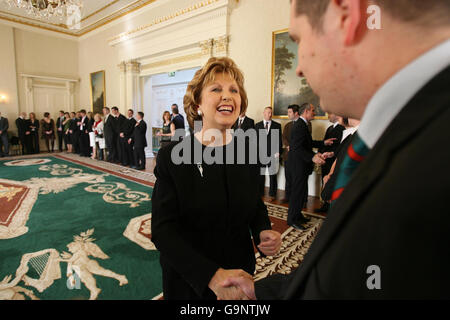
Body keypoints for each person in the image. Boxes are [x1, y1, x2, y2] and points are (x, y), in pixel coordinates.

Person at [223, 0, 450, 299]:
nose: (300, 68)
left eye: (299, 40)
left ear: (346, 17)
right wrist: (260, 291)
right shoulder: (397, 132)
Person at [151, 57, 281, 300]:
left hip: (239, 275)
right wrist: (210, 275)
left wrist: (262, 230)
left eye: (234, 90)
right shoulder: (173, 156)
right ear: (198, 103)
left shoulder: (249, 152)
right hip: (190, 283)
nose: (227, 96)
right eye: (216, 89)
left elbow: (254, 205)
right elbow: (162, 230)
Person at [285, 103, 335, 230]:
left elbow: (308, 143)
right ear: (306, 111)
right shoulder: (300, 126)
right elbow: (297, 148)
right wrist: (313, 157)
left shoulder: (303, 125)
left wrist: (323, 142)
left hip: (301, 165)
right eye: (313, 110)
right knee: (297, 193)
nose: (314, 112)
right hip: (297, 165)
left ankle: (297, 215)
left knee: (301, 192)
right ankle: (292, 219)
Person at [315, 113, 345, 213]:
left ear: (336, 115)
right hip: (325, 160)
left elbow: (339, 146)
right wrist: (319, 152)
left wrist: (331, 153)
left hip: (333, 161)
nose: (328, 115)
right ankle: (325, 204)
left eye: (330, 114)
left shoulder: (341, 128)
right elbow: (324, 142)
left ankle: (330, 205)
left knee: (331, 182)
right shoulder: (329, 128)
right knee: (324, 182)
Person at [255, 107, 283, 201]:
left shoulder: (277, 125)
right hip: (260, 155)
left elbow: (279, 140)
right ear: (264, 113)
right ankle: (259, 192)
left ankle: (272, 194)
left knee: (273, 175)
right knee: (260, 175)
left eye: (271, 113)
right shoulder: (257, 125)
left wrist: (278, 152)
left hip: (273, 154)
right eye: (268, 112)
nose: (269, 114)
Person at [281, 104, 301, 203]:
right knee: (288, 177)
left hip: (297, 157)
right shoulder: (287, 125)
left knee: (296, 179)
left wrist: (292, 146)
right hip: (288, 155)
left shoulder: (305, 124)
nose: (288, 114)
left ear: (296, 113)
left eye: (289, 112)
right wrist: (288, 145)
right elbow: (283, 137)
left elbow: (301, 139)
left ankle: (299, 199)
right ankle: (287, 197)